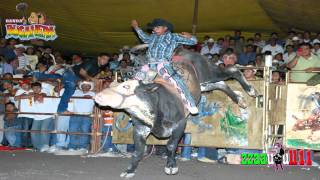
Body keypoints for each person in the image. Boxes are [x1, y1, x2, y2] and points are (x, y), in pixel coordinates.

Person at [131, 18, 199, 114]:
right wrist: (136, 28)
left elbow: (193, 42)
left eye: (157, 27)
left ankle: (190, 104)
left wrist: (190, 36)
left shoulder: (173, 37)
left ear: (165, 28)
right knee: (134, 80)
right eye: (154, 28)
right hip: (149, 64)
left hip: (162, 64)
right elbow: (144, 38)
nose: (154, 30)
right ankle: (133, 104)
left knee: (177, 81)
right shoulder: (153, 37)